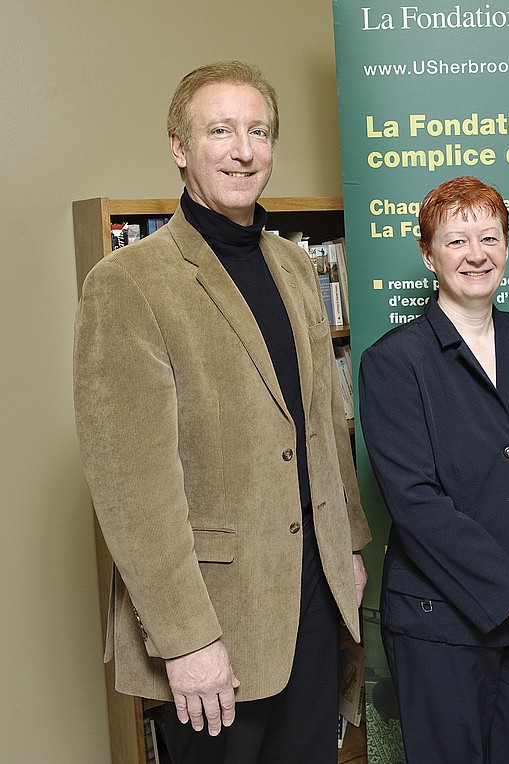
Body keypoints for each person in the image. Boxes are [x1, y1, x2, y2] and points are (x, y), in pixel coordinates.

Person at [73, 61, 371, 763]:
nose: (243, 149)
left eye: (258, 130)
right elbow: (131, 491)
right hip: (216, 623)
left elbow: (326, 425)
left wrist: (349, 547)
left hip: (312, 600)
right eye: (220, 130)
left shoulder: (295, 267)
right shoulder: (128, 283)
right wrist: (185, 638)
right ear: (180, 147)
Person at [358, 175, 509, 763]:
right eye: (457, 240)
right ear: (428, 254)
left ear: (507, 247)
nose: (476, 254)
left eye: (489, 237)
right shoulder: (393, 361)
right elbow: (415, 503)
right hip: (441, 627)